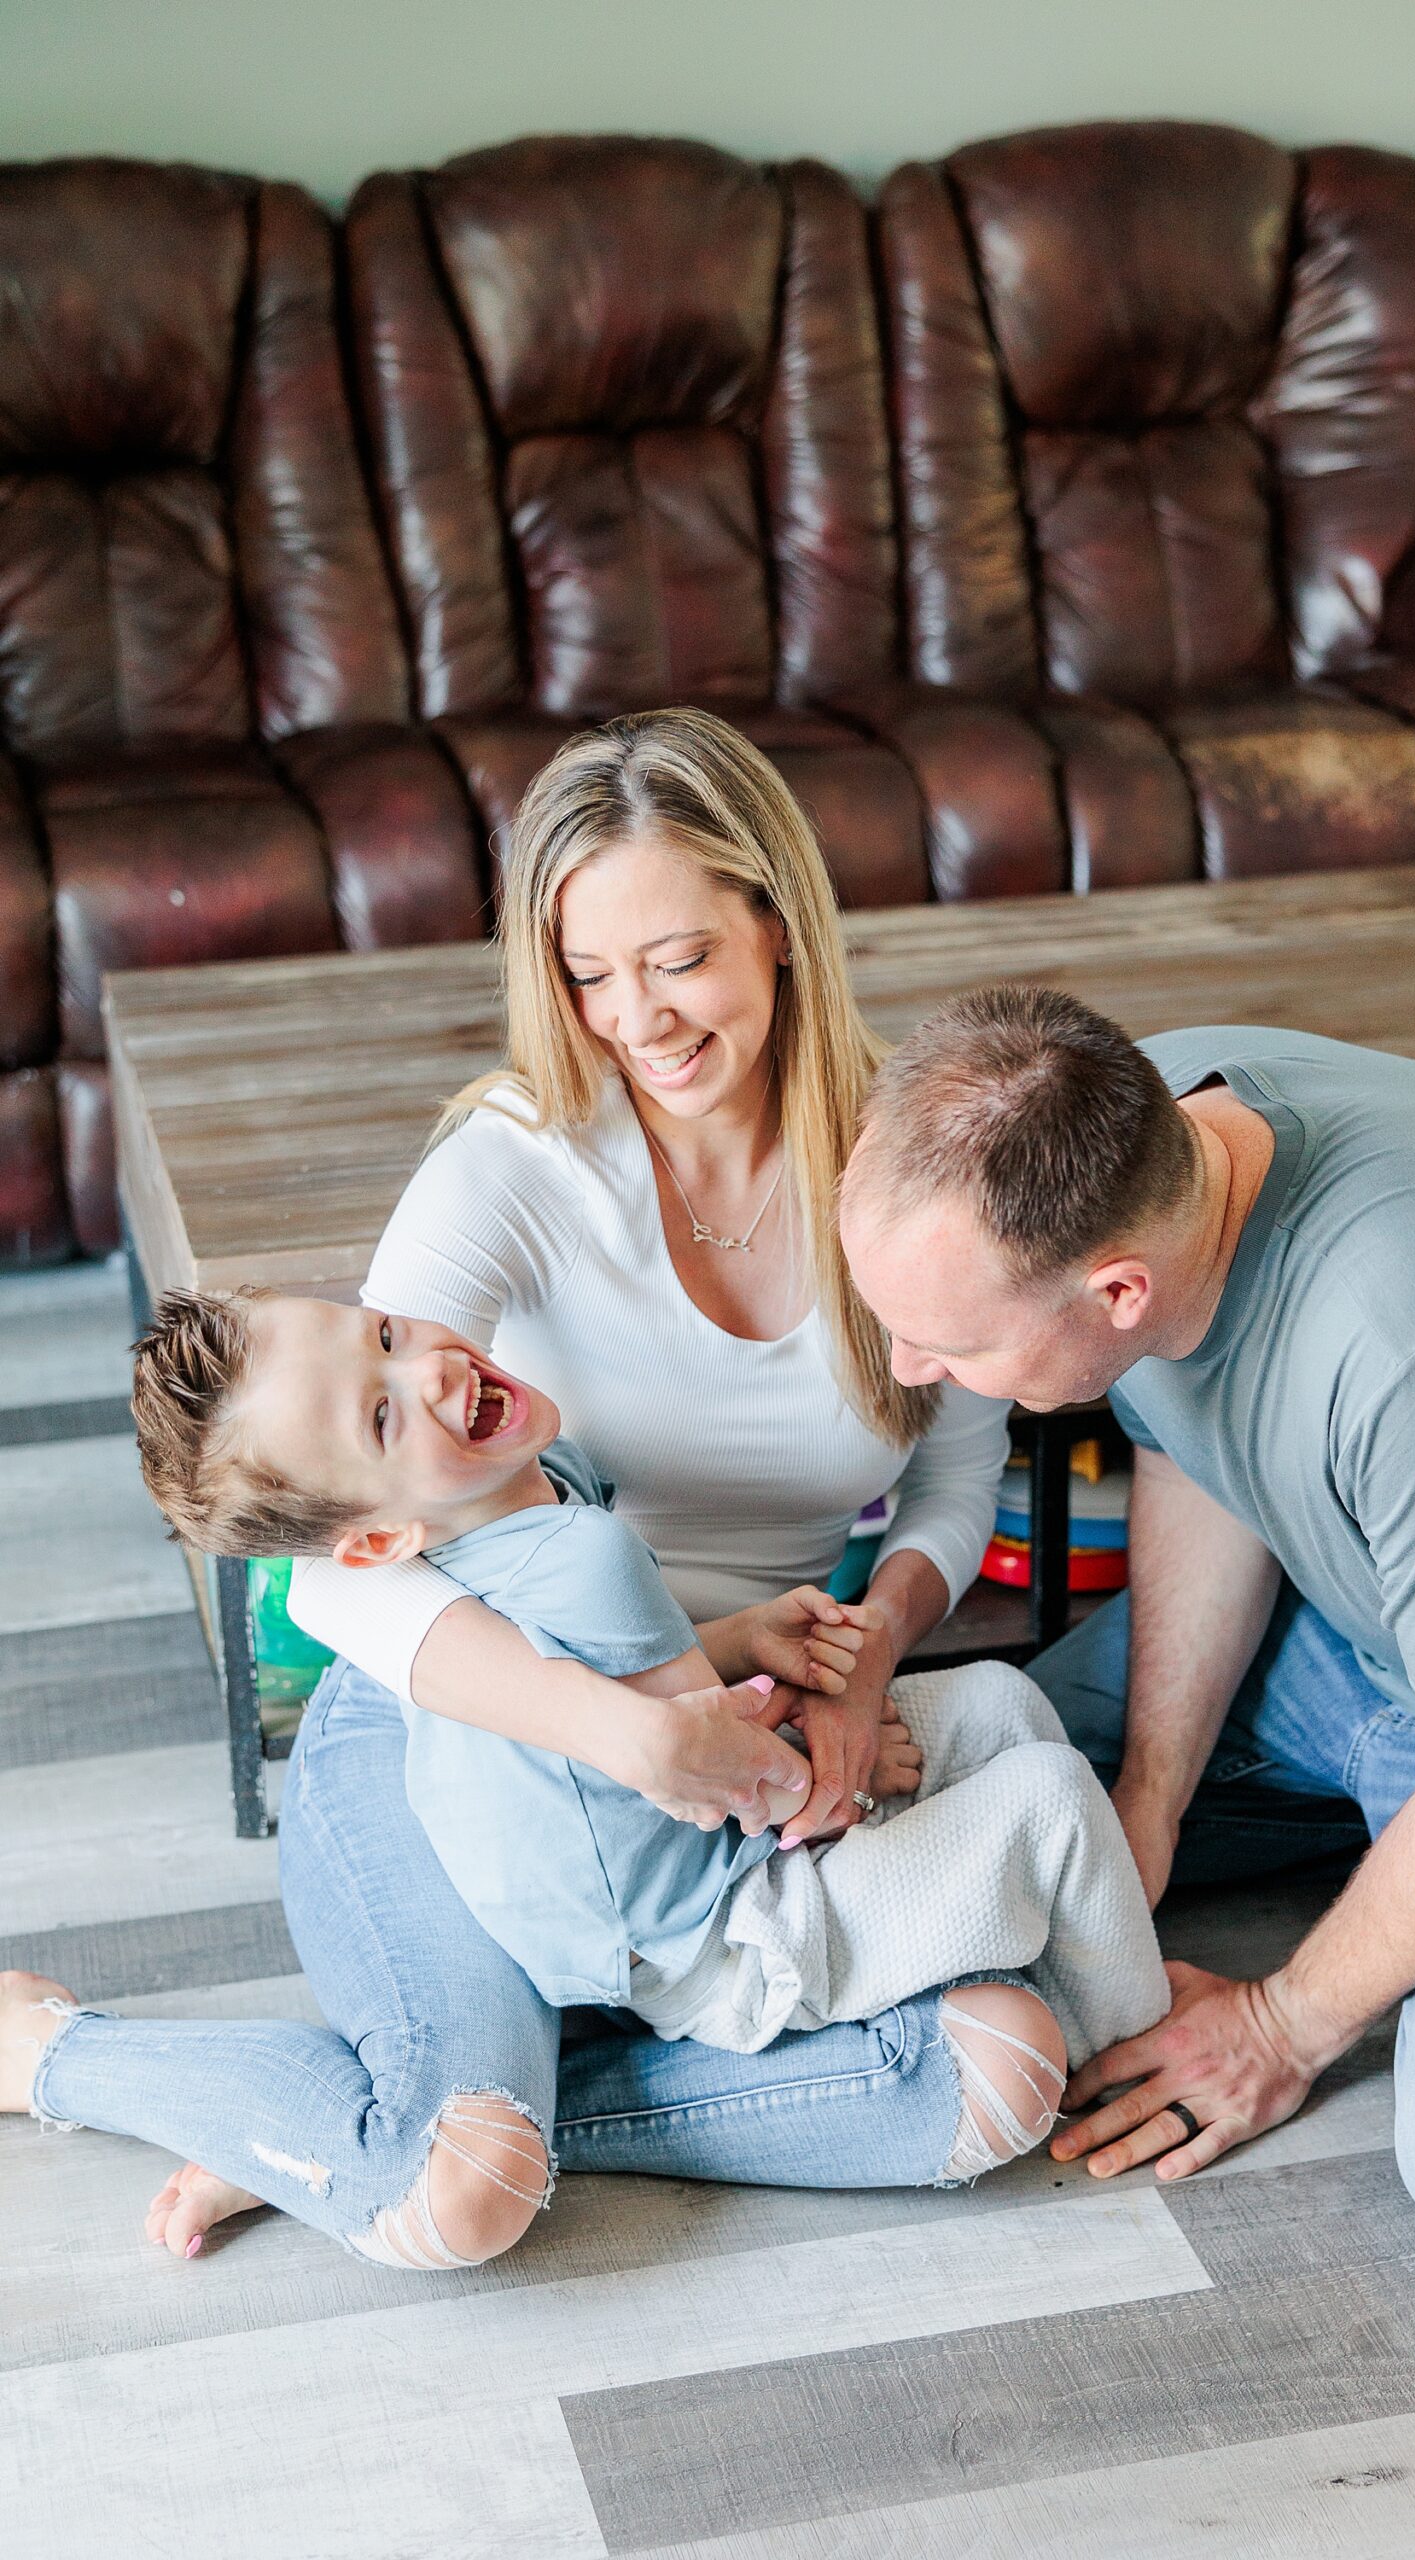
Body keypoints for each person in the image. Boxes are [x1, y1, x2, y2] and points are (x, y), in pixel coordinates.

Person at [0, 711, 1039, 2267]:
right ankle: (56, 2057)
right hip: (461, 1740)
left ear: (773, 916)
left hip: (735, 1771)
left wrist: (865, 1648)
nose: (639, 1019)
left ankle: (392, 2122)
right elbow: (340, 1568)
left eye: (675, 956)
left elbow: (962, 1459)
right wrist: (634, 1732)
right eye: (587, 975)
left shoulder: (898, 1151)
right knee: (458, 2204)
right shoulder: (520, 1157)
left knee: (1000, 2067)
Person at [839, 984, 1415, 2251]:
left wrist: (1280, 2023)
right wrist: (1151, 1792)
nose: (910, 1368)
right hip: (1377, 1625)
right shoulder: (1150, 1126)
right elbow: (1208, 1453)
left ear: (1117, 1292)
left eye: (942, 1340)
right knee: (952, 1765)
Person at [130, 1287, 1162, 2092]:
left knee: (998, 1702)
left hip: (615, 1908)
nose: (434, 1368)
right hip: (725, 1937)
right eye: (384, 1417)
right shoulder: (581, 1553)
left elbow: (632, 1696)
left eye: (388, 1335)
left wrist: (732, 1640)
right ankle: (1134, 2052)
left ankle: (1035, 1969)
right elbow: (750, 1789)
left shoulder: (528, 1494)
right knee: (1054, 1803)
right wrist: (837, 1774)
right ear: (379, 1539)